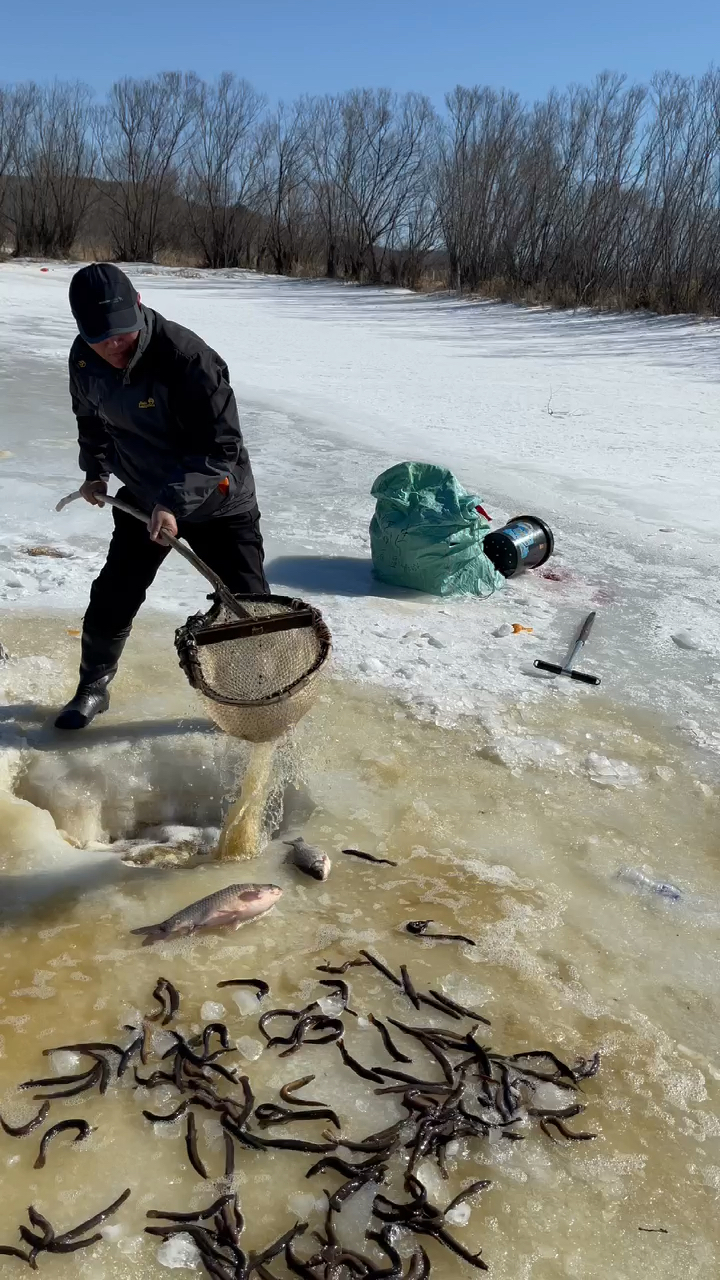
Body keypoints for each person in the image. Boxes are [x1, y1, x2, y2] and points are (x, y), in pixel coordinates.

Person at [55, 262, 268, 731]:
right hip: (143, 492)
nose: (113, 346)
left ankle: (252, 696)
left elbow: (221, 447)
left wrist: (173, 503)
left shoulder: (188, 360)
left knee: (248, 607)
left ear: (139, 305)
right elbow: (90, 420)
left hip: (218, 498)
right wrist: (94, 471)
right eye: (100, 338)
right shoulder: (85, 359)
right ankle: (93, 686)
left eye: (122, 334)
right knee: (114, 593)